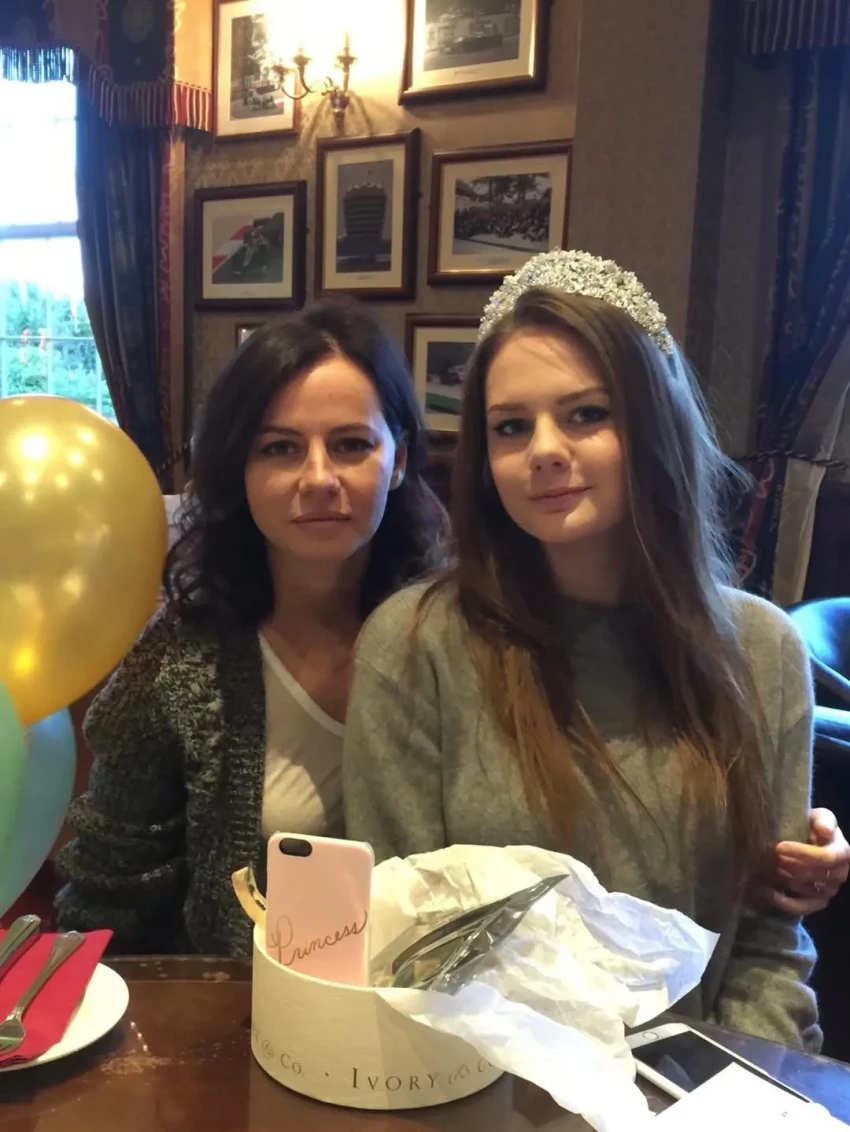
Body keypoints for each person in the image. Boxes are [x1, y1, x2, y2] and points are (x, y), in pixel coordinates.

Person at [342, 250, 841, 1051]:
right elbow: (402, 951)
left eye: (586, 414)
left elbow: (768, 953)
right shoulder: (412, 646)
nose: (544, 448)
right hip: (476, 1083)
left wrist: (709, 1094)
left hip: (696, 1085)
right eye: (511, 426)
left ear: (653, 423)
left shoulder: (763, 652)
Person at [55, 300, 449, 956]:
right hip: (241, 1008)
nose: (318, 478)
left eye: (351, 444)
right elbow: (104, 908)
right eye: (280, 448)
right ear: (240, 470)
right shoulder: (176, 668)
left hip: (436, 1009)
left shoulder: (458, 643)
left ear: (399, 458)